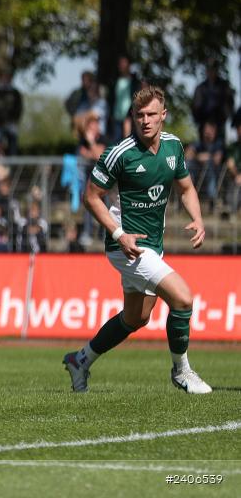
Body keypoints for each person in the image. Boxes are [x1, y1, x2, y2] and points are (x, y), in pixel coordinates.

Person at [63, 86, 211, 394]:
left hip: (151, 247)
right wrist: (119, 234)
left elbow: (186, 189)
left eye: (152, 115)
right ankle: (182, 371)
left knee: (136, 318)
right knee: (182, 299)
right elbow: (91, 197)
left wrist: (197, 218)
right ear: (133, 117)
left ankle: (81, 360)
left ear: (163, 116)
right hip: (125, 247)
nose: (145, 121)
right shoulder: (120, 153)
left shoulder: (173, 147)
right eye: (140, 115)